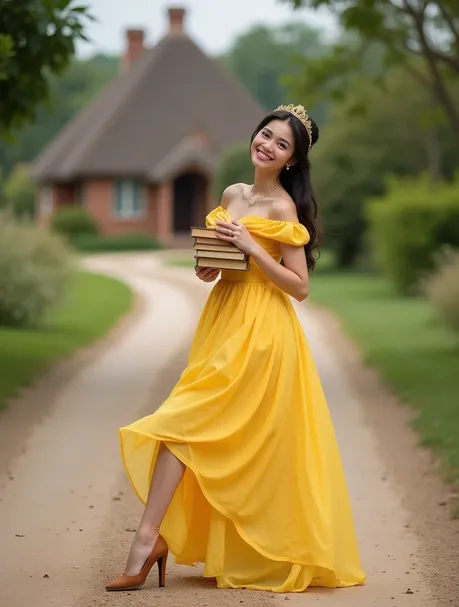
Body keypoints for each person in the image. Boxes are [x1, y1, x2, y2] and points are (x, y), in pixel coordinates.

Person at [105, 104, 366, 594]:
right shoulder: (231, 194)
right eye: (265, 135)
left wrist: (249, 247)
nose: (267, 145)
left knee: (184, 423)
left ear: (291, 160)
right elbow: (226, 270)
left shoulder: (284, 209)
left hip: (262, 333)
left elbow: (299, 286)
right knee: (195, 428)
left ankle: (145, 542)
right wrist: (211, 268)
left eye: (281, 144)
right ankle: (152, 541)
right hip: (223, 320)